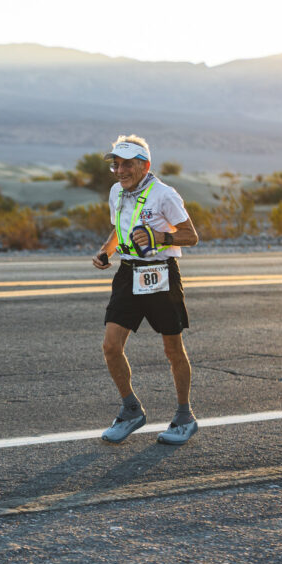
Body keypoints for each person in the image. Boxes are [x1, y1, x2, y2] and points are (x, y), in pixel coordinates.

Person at [91, 135, 200, 445]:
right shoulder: (116, 192)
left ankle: (183, 417)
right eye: (116, 164)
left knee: (172, 349)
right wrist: (105, 251)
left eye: (126, 164)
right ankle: (131, 411)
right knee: (111, 346)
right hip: (128, 274)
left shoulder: (164, 195)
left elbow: (191, 236)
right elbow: (119, 228)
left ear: (144, 165)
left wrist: (159, 238)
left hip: (162, 275)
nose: (120, 170)